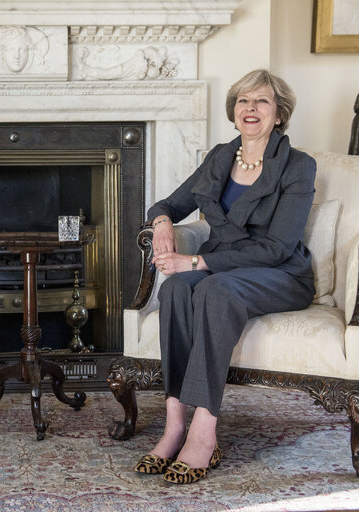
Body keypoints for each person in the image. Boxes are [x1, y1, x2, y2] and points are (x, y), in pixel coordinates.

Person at [134, 69, 316, 484]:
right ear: (234, 112)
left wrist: (195, 262)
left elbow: (277, 248)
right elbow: (168, 203)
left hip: (279, 273)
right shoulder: (221, 156)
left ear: (279, 114)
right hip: (225, 267)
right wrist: (162, 221)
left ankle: (204, 431)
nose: (251, 109)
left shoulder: (297, 166)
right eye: (243, 101)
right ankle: (175, 422)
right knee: (177, 288)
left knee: (210, 286)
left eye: (262, 101)